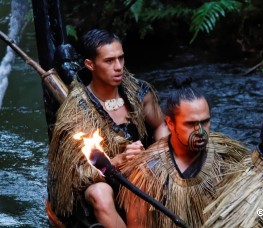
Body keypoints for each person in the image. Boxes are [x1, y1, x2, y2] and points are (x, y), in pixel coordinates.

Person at [47, 29, 169, 227]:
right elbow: (76, 175)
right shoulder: (76, 111)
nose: (118, 66)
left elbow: (161, 125)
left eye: (121, 58)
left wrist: (157, 152)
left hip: (141, 170)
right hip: (100, 179)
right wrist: (118, 161)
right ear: (90, 64)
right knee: (100, 194)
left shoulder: (138, 92)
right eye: (109, 61)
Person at [117, 75, 249, 227]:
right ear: (170, 124)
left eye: (205, 122)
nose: (200, 131)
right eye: (190, 124)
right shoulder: (148, 172)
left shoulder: (228, 158)